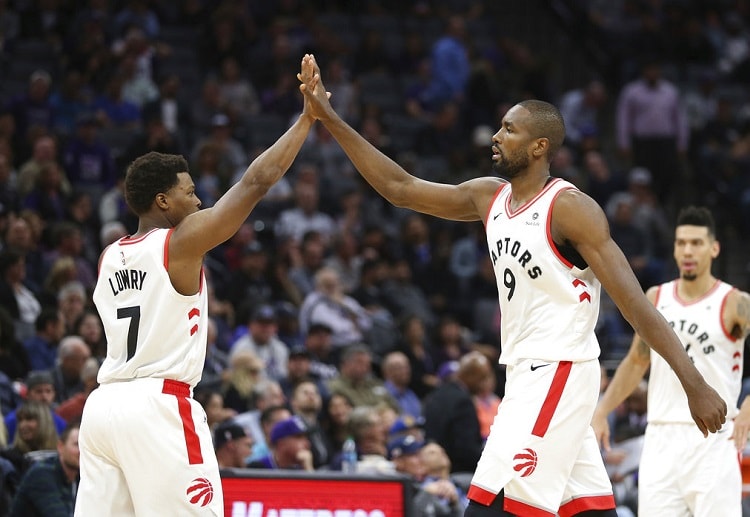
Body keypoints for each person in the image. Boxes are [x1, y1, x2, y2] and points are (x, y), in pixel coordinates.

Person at [298, 54, 727, 517]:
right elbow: (399, 188)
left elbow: (635, 305)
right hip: (524, 373)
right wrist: (330, 117)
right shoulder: (489, 197)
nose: (496, 136)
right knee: (587, 509)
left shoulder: (570, 209)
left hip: (560, 368)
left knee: (492, 504)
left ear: (540, 146)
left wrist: (694, 384)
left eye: (509, 129)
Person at [75, 56, 316, 516]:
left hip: (103, 408)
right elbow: (256, 182)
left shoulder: (108, 255)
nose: (200, 199)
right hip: (158, 406)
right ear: (163, 200)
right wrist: (306, 119)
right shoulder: (178, 244)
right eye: (189, 192)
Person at [592, 206, 750, 517]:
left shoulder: (735, 302)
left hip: (715, 439)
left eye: (696, 243)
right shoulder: (656, 297)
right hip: (660, 436)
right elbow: (636, 362)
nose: (688, 251)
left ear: (714, 248)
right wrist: (602, 410)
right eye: (681, 243)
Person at [9, 419, 80, 517]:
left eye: (85, 446)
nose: (82, 451)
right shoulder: (41, 474)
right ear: (60, 447)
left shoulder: (80, 476)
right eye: (77, 445)